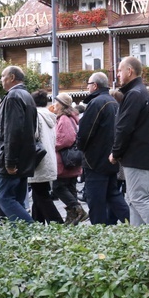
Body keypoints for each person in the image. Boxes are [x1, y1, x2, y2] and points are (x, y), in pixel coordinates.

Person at [110, 57, 149, 226]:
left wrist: (115, 152)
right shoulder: (139, 91)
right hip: (138, 155)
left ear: (129, 71)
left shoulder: (134, 94)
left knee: (139, 198)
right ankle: (138, 239)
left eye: (119, 70)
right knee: (133, 199)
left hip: (135, 155)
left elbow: (124, 128)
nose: (117, 74)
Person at [78, 72, 129, 225]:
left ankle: (99, 231)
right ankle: (134, 224)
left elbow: (85, 131)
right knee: (113, 195)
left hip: (95, 159)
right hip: (109, 158)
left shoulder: (97, 102)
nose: (87, 86)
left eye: (88, 83)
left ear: (95, 85)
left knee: (96, 200)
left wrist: (81, 149)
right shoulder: (112, 102)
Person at [0, 66, 37, 223]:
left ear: (11, 77)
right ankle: (22, 238)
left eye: (2, 76)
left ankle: (32, 231)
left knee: (4, 198)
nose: (1, 80)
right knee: (15, 199)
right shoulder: (26, 96)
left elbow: (12, 131)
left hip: (11, 158)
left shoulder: (13, 96)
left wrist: (9, 162)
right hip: (23, 157)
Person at [28, 90, 65, 224]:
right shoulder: (50, 116)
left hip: (38, 160)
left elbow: (33, 136)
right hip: (49, 159)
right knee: (40, 194)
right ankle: (37, 222)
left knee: (41, 195)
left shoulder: (35, 116)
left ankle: (57, 223)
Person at [51, 92, 87, 224]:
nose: (54, 105)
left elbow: (65, 139)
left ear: (61, 104)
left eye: (55, 102)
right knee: (70, 188)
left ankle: (77, 209)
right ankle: (72, 219)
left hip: (64, 160)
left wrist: (52, 144)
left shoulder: (64, 119)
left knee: (58, 187)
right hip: (70, 160)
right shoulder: (71, 117)